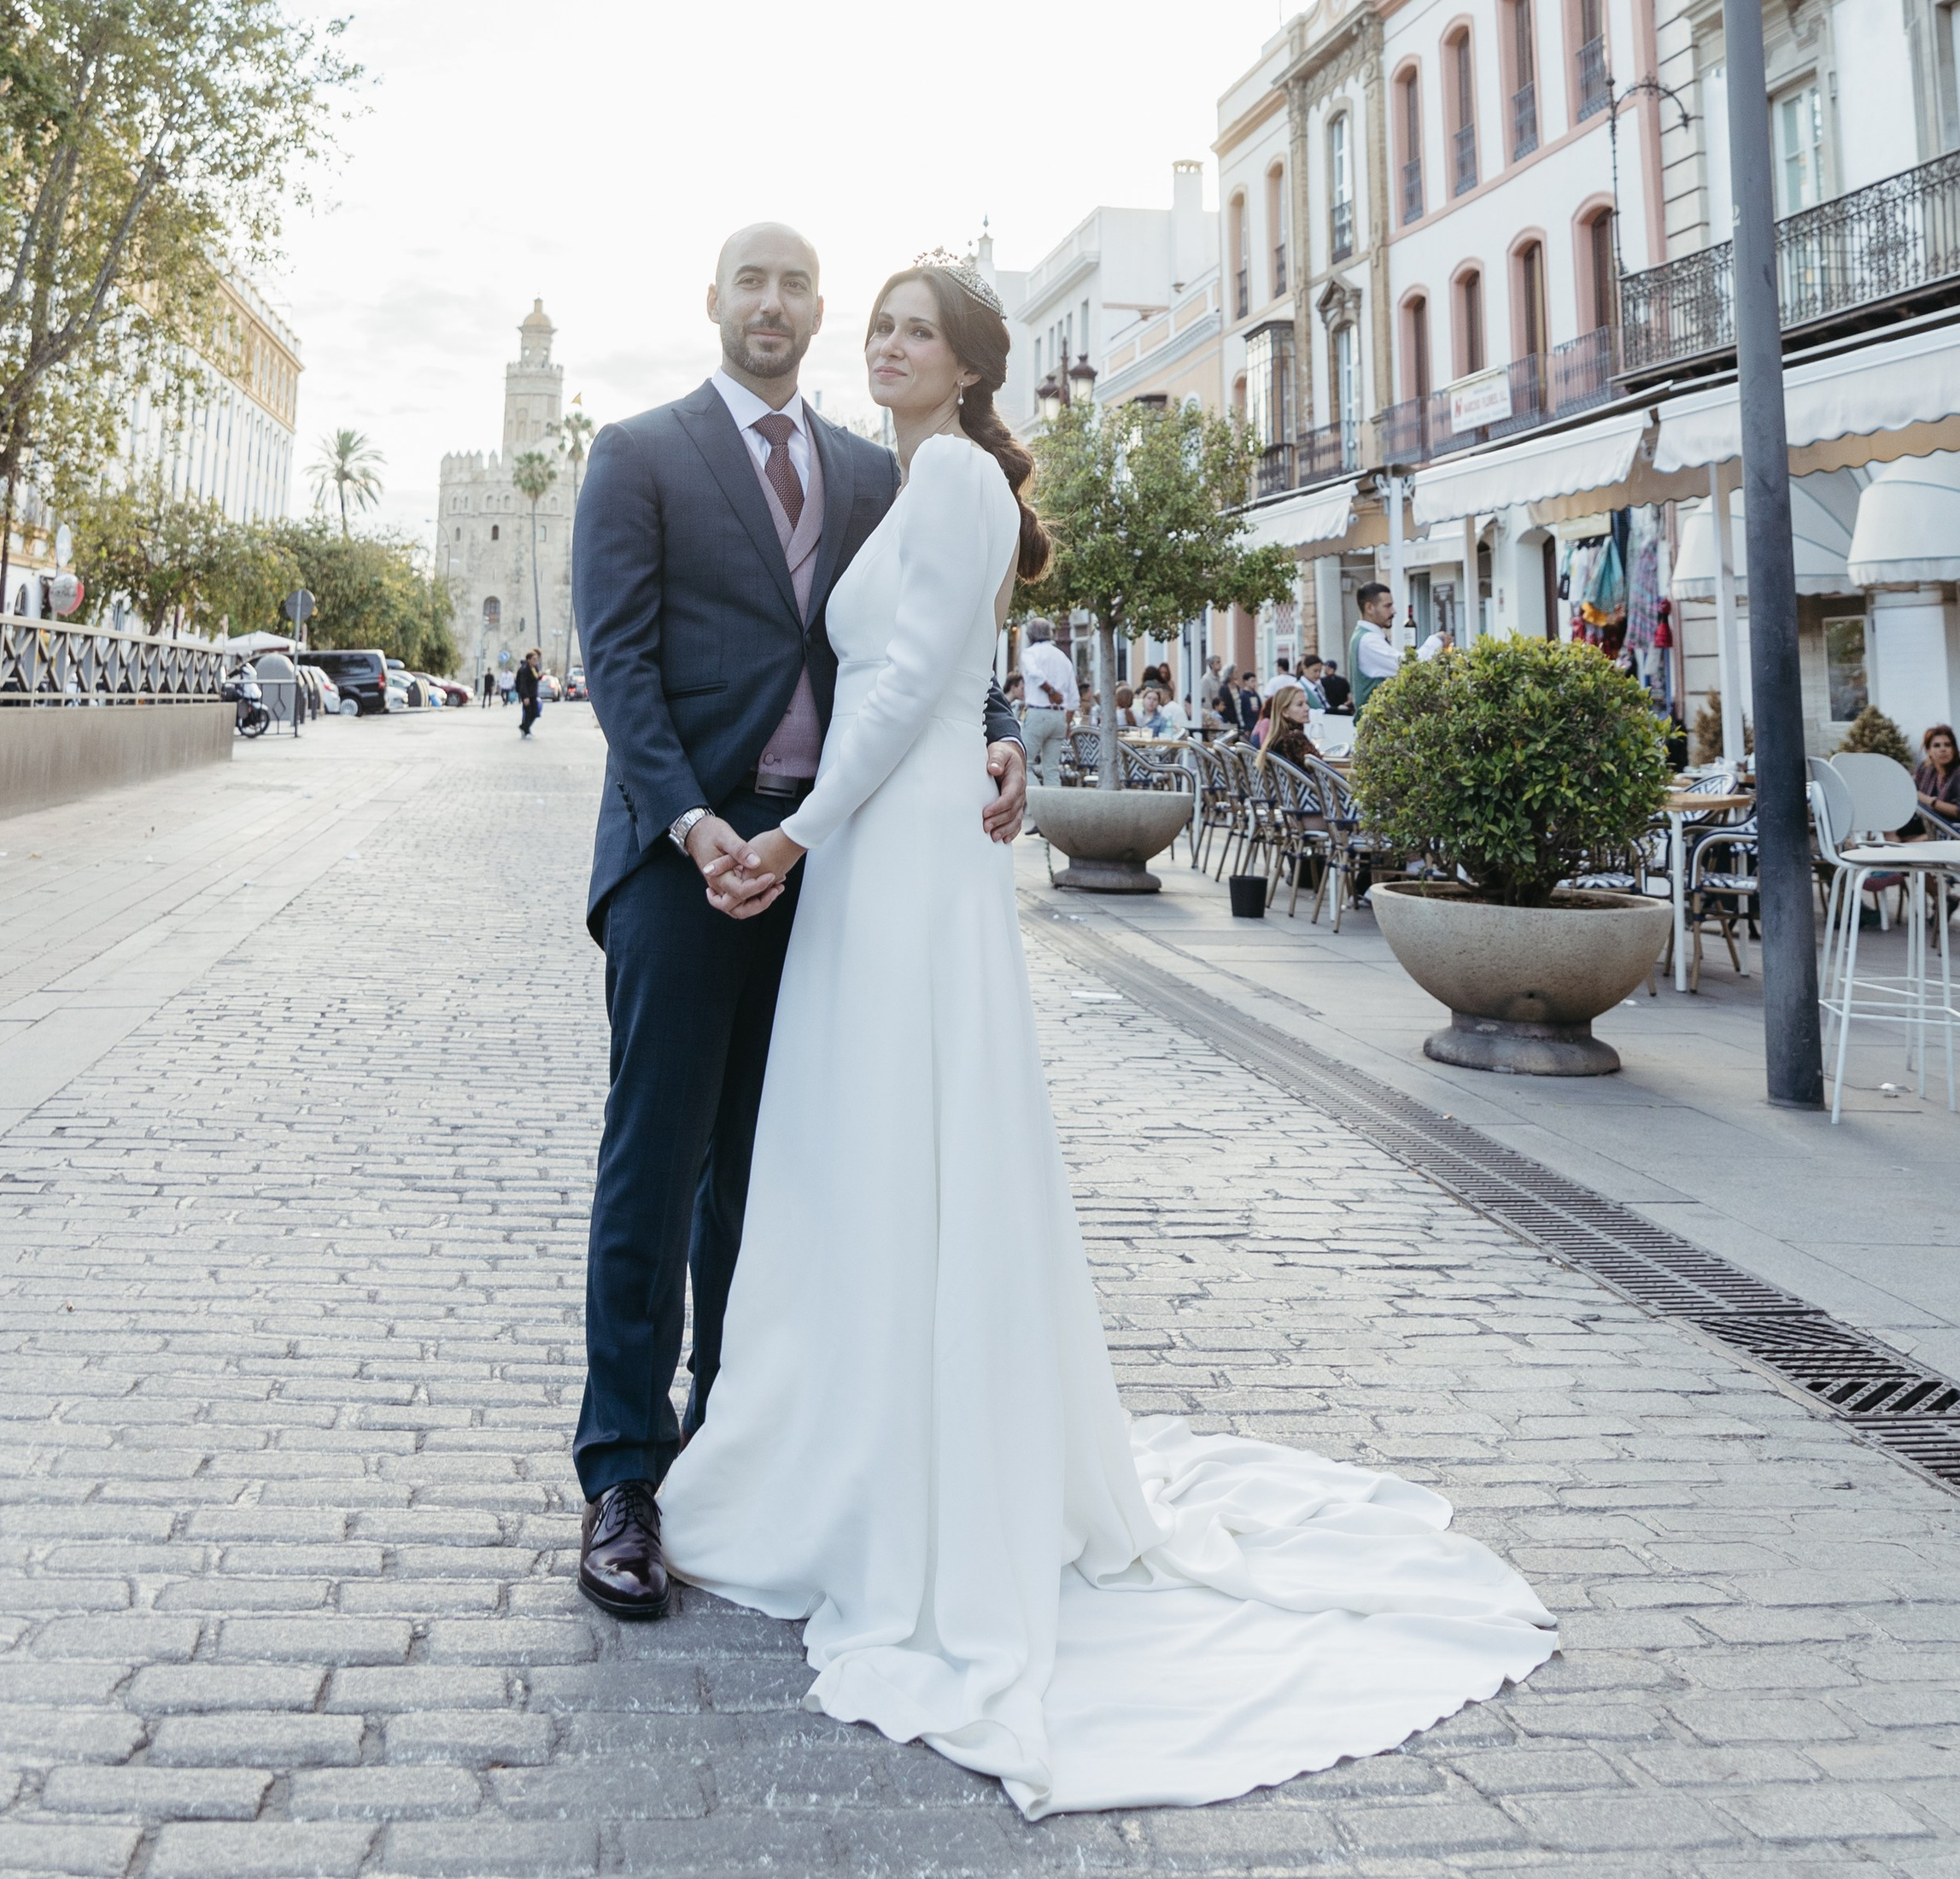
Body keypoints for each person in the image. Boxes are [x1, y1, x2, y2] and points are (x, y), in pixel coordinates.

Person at [662, 252, 1552, 1817]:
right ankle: (856, 1440)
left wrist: (796, 836)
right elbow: (938, 679)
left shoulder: (945, 493)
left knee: (891, 1140)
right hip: (897, 847)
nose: (882, 342)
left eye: (912, 330)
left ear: (970, 365)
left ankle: (895, 1476)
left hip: (895, 858)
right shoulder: (922, 480)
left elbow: (903, 693)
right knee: (863, 1150)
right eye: (879, 323)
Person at [570, 225, 1027, 1622]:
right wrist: (695, 825)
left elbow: (919, 644)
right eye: (748, 282)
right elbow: (618, 659)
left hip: (834, 872)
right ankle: (625, 1477)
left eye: (795, 286)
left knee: (776, 1172)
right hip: (684, 857)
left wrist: (999, 734)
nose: (772, 305)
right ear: (712, 303)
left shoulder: (882, 467)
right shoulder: (637, 453)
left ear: (817, 314)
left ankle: (738, 1437)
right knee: (657, 1159)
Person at [1018, 614, 1079, 798]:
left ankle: (1038, 803)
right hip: (1059, 716)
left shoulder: (1030, 653)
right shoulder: (1062, 657)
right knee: (1051, 769)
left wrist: (1051, 691)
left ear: (1030, 635)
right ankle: (1053, 811)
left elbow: (1035, 675)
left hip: (1038, 712)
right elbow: (1074, 697)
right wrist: (1067, 723)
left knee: (1023, 763)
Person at [1349, 582, 1402, 717]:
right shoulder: (1369, 640)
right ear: (1369, 608)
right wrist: (1435, 642)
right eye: (1387, 606)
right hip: (1375, 727)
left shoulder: (1366, 636)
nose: (1393, 611)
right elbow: (1406, 666)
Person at [1916, 725, 1960, 828]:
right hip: (1930, 825)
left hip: (1954, 828)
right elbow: (1911, 790)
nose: (1943, 749)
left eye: (1948, 745)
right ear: (1928, 750)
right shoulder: (1925, 769)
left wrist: (1929, 801)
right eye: (1937, 746)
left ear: (1954, 749)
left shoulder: (1958, 772)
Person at [513, 648, 542, 737]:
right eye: (534, 659)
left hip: (533, 694)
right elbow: (523, 684)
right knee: (528, 712)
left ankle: (524, 727)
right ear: (529, 660)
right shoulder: (525, 669)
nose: (536, 661)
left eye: (537, 659)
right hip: (527, 695)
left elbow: (536, 678)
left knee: (535, 712)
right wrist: (525, 696)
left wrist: (541, 675)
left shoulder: (535, 668)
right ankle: (525, 730)